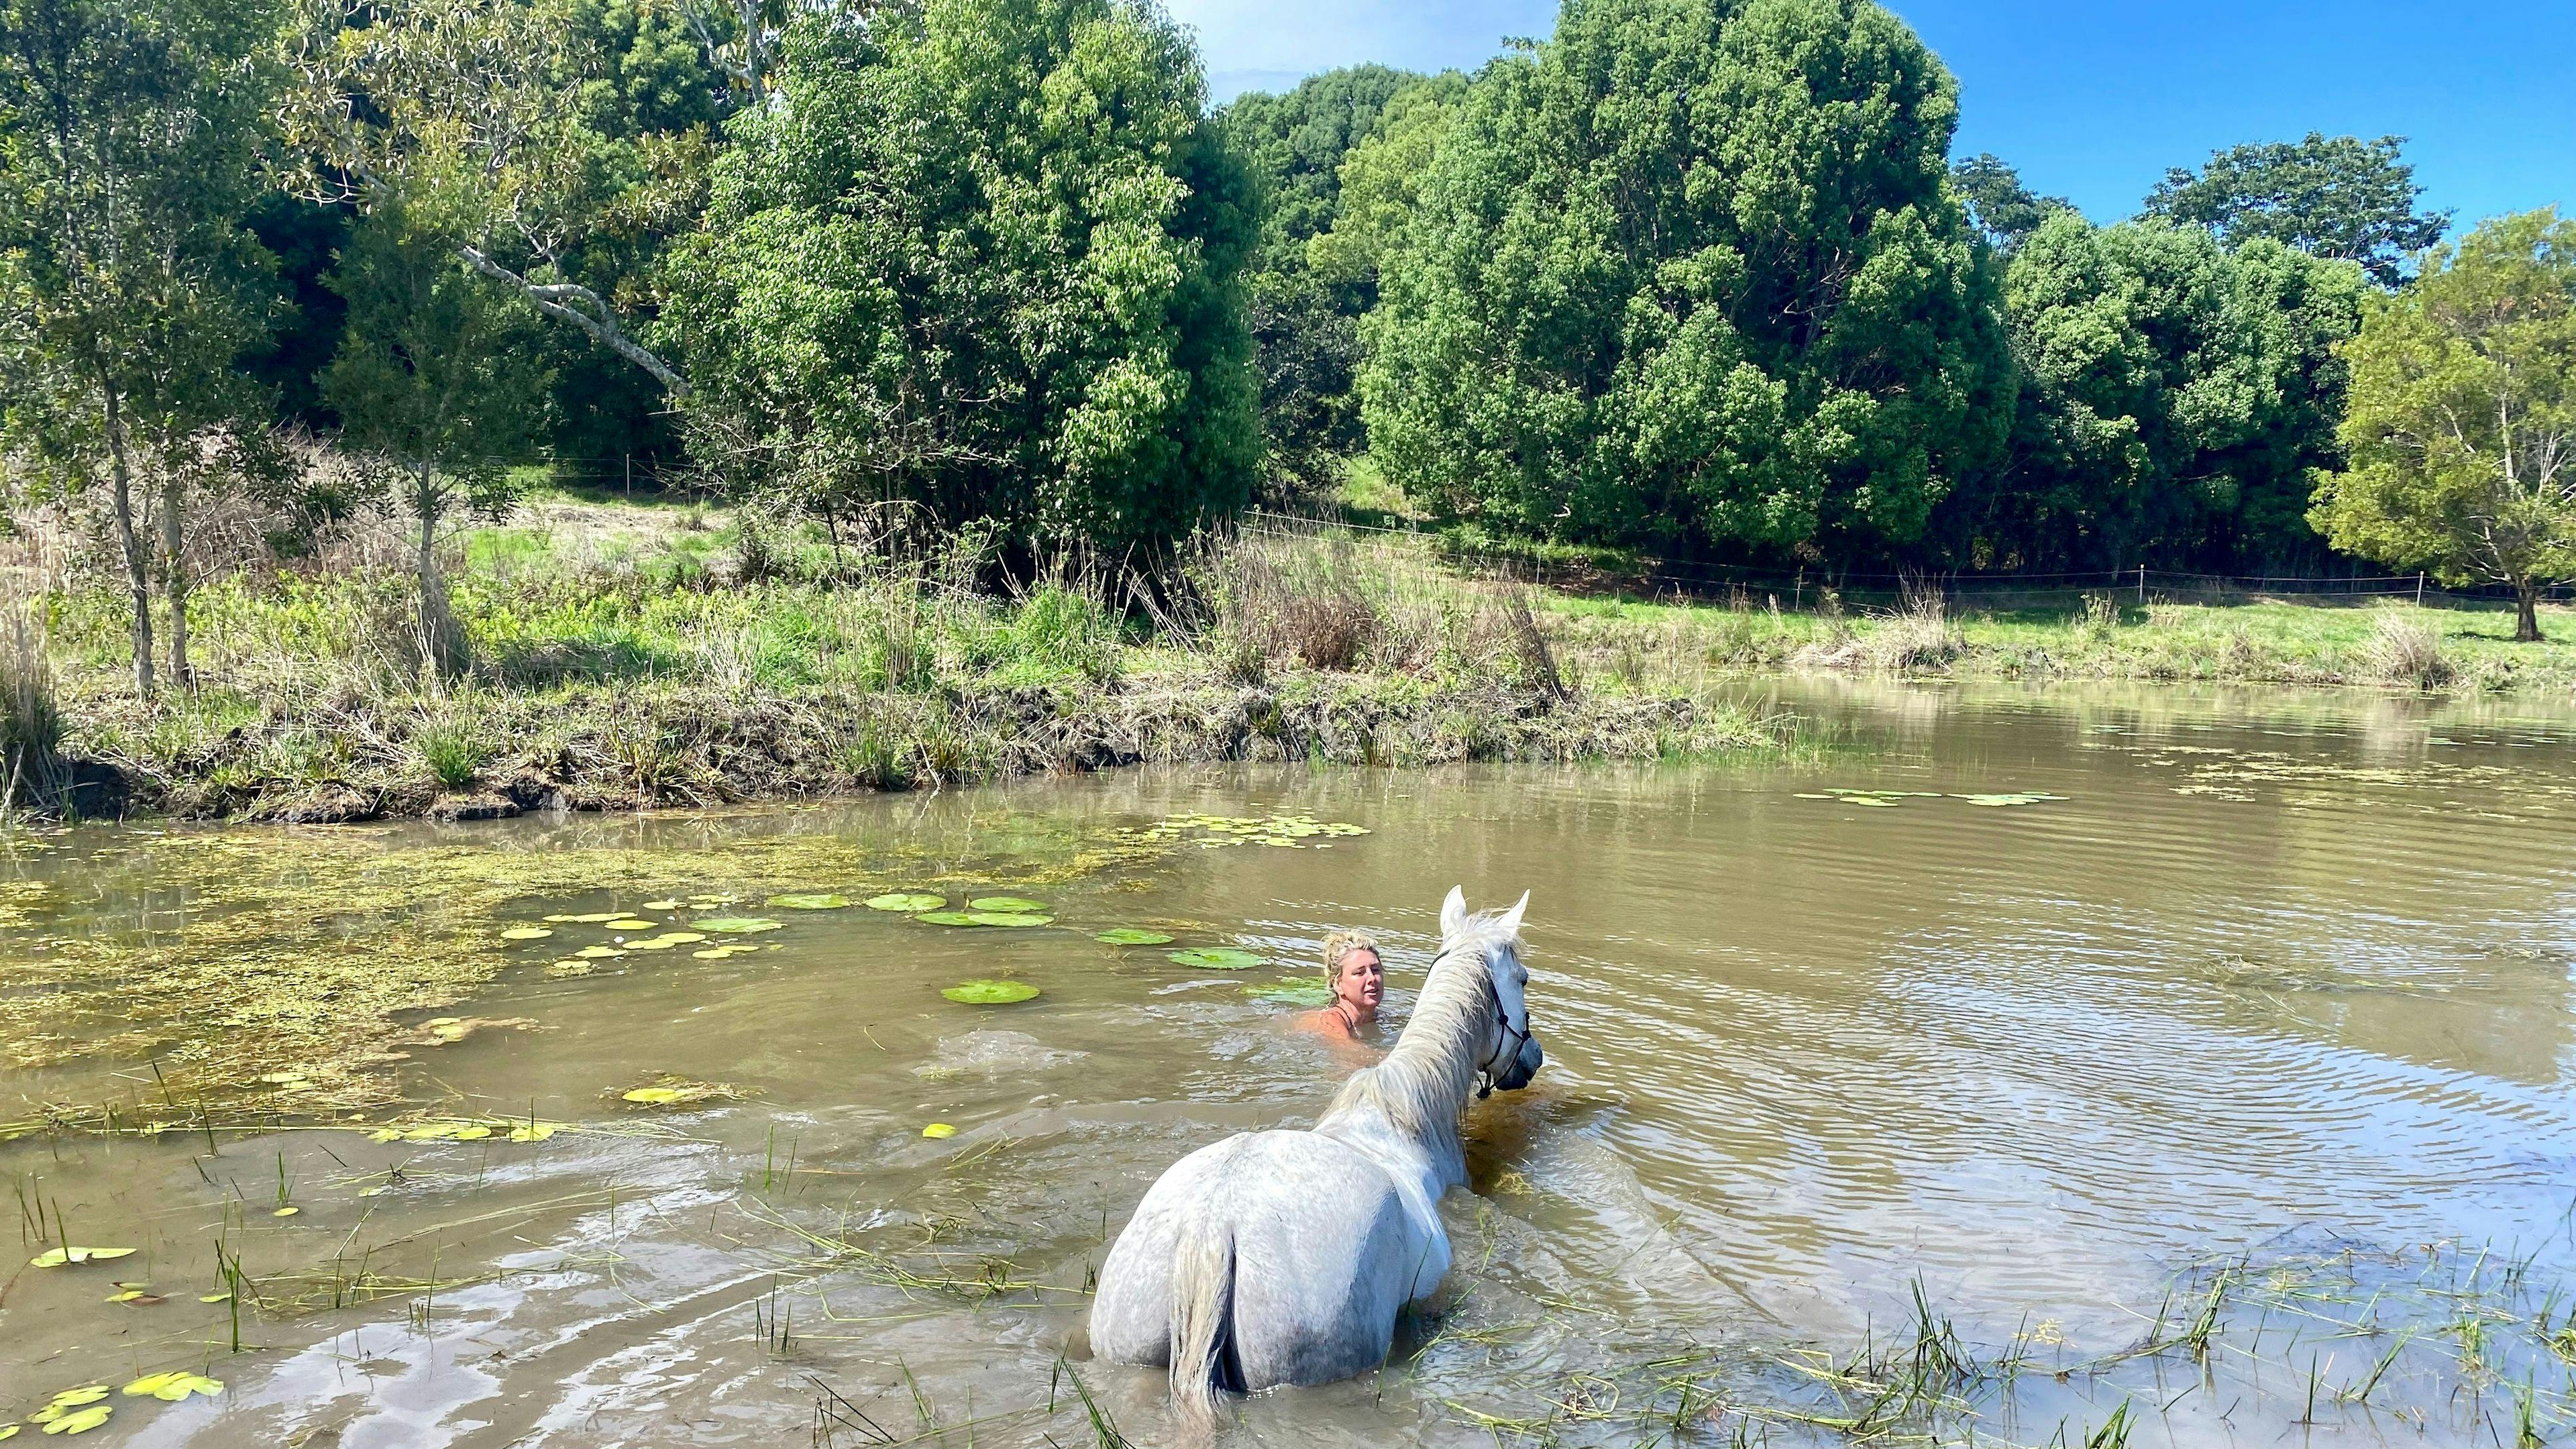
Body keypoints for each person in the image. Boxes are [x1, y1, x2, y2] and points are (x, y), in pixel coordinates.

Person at [1293, 930, 1384, 1042]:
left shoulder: (1380, 1018)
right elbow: (1355, 1055)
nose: (1372, 978)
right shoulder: (1330, 1022)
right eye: (1360, 973)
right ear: (1338, 984)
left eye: (1376, 970)